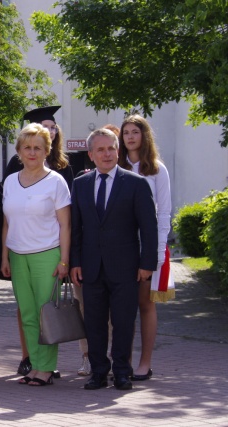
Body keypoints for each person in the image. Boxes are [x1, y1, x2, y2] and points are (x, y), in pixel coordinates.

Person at [70, 128, 158, 391]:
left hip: (126, 268)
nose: (107, 154)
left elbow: (149, 227)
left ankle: (121, 371)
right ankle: (98, 371)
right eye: (101, 149)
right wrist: (75, 262)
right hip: (91, 267)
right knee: (94, 323)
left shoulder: (136, 183)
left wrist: (147, 264)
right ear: (91, 155)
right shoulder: (80, 184)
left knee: (123, 322)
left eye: (111, 148)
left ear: (118, 151)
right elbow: (76, 228)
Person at [5, 106, 73, 378]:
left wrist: (64, 261)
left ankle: (45, 368)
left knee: (46, 315)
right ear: (19, 151)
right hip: (17, 255)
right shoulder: (10, 181)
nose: (32, 152)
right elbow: (7, 222)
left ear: (47, 150)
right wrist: (4, 256)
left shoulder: (56, 182)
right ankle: (34, 365)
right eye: (27, 147)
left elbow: (66, 225)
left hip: (47, 254)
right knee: (28, 315)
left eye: (37, 148)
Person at [118, 115, 173, 381]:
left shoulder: (157, 169)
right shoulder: (117, 166)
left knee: (145, 304)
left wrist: (157, 252)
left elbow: (164, 213)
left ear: (144, 135)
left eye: (135, 132)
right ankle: (123, 361)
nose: (130, 137)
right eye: (126, 132)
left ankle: (144, 363)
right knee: (121, 306)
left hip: (148, 247)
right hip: (121, 247)